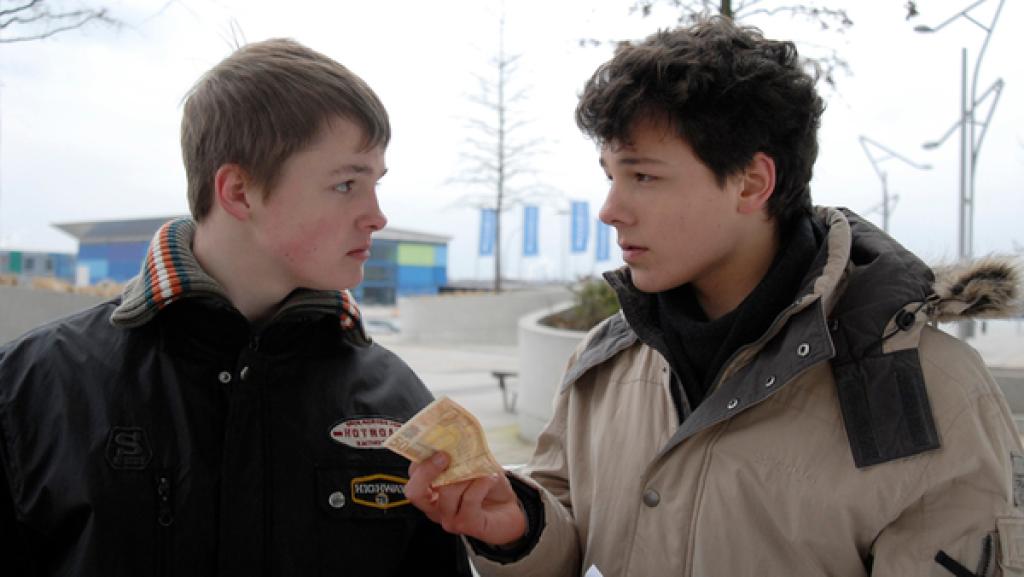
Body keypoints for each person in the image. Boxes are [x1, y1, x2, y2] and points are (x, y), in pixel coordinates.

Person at [405, 16, 1024, 576]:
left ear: (752, 183)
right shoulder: (604, 363)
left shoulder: (924, 389)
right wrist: (521, 529)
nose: (610, 210)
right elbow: (572, 538)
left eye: (643, 175)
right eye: (611, 176)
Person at [0, 39, 471, 576]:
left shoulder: (396, 400)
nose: (377, 216)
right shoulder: (31, 389)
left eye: (375, 184)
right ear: (239, 192)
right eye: (346, 184)